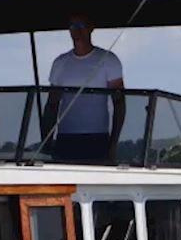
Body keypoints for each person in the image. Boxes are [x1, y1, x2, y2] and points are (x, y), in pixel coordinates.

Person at [43, 13, 125, 162]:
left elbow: (119, 104)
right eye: (73, 26)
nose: (77, 30)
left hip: (97, 138)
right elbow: (52, 105)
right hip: (65, 138)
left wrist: (113, 144)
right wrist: (46, 142)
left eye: (81, 25)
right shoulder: (60, 63)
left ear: (91, 28)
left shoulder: (109, 60)